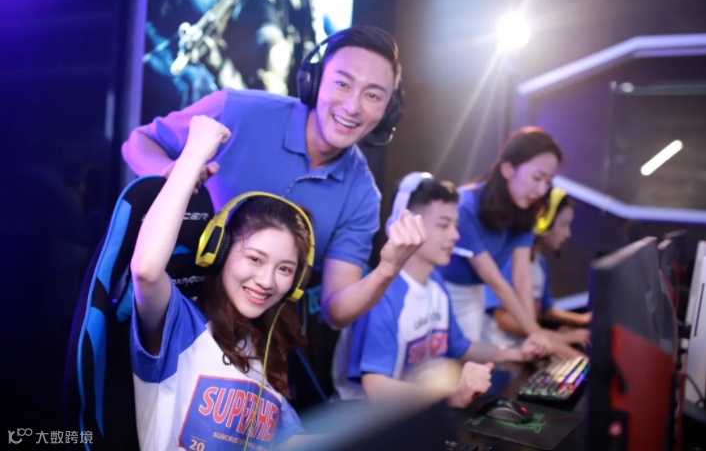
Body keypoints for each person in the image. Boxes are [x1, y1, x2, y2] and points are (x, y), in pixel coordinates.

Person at [123, 24, 424, 330]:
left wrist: (389, 268)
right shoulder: (238, 111)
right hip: (166, 315)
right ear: (314, 80)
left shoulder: (362, 195)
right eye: (342, 84)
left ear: (388, 113)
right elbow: (139, 142)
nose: (352, 107)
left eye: (373, 95)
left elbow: (335, 311)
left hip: (253, 341)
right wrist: (174, 176)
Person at [129, 116, 313, 449]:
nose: (267, 281)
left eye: (285, 269)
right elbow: (146, 270)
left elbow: (290, 442)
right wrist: (194, 155)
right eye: (254, 259)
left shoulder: (265, 349)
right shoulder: (180, 323)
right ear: (219, 251)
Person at [337, 172, 549, 407]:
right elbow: (376, 388)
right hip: (365, 419)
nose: (455, 235)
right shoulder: (382, 294)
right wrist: (452, 395)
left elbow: (462, 348)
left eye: (455, 225)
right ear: (404, 225)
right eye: (443, 225)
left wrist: (517, 353)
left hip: (414, 415)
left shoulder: (436, 283)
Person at [438, 127, 562, 350]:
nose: (542, 190)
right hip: (442, 291)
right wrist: (536, 334)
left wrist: (532, 334)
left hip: (474, 293)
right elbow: (495, 281)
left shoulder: (525, 211)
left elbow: (522, 277)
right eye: (537, 178)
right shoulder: (466, 206)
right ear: (508, 169)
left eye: (548, 181)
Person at [482, 187, 591, 355]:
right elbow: (503, 319)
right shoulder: (508, 259)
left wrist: (582, 320)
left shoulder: (540, 261)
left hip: (528, 346)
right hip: (501, 352)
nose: (568, 233)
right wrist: (560, 338)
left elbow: (544, 311)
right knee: (577, 358)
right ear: (544, 221)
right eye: (563, 225)